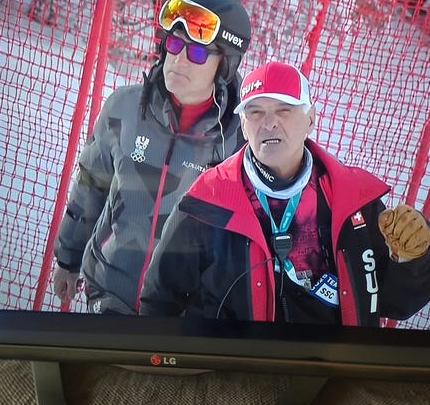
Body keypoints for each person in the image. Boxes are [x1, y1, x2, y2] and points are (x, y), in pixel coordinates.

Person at [140, 60, 430, 326]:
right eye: (255, 112)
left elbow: (396, 303)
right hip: (238, 363)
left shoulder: (354, 201)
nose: (269, 123)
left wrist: (412, 260)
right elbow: (158, 302)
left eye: (284, 110)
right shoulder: (206, 202)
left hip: (336, 361)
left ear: (310, 119)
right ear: (243, 125)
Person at [53, 0, 252, 315]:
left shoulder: (240, 140)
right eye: (175, 44)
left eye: (197, 52)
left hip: (178, 313)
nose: (179, 60)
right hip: (108, 292)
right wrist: (68, 258)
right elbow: (90, 185)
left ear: (225, 65)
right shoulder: (124, 108)